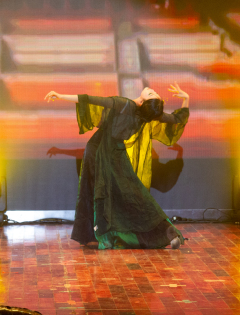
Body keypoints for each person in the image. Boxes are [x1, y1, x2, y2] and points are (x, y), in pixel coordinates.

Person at [44, 84, 190, 249]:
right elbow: (176, 119)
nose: (151, 89)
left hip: (99, 152)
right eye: (153, 92)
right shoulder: (148, 114)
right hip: (113, 153)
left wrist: (60, 95)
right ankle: (160, 232)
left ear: (143, 102)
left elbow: (92, 100)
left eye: (151, 94)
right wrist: (186, 99)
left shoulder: (125, 104)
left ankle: (157, 232)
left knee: (111, 192)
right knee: (126, 192)